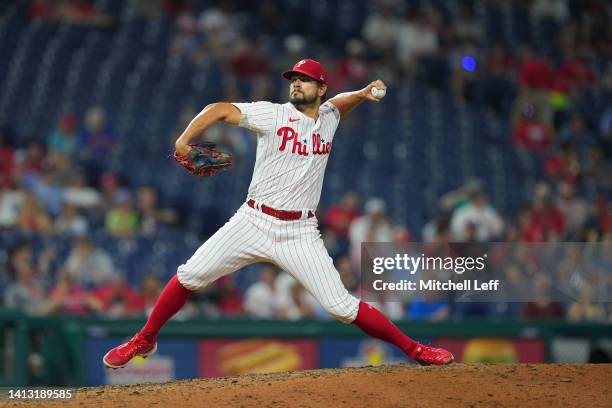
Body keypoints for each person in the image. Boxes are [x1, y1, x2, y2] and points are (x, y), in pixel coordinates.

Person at [103, 58, 453, 369]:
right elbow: (218, 109)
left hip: (300, 232)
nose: (296, 83)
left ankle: (416, 350)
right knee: (189, 274)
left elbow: (337, 106)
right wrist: (183, 141)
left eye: (304, 79)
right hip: (253, 220)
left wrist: (361, 93)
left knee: (341, 307)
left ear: (321, 87)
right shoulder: (273, 114)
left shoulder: (328, 117)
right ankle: (145, 338)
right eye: (293, 79)